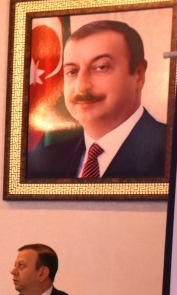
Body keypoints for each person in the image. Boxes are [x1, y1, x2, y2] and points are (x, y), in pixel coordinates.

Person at [28, 20, 166, 179]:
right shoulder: (42, 162)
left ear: (139, 75)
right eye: (72, 71)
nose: (81, 87)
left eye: (101, 67)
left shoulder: (169, 148)